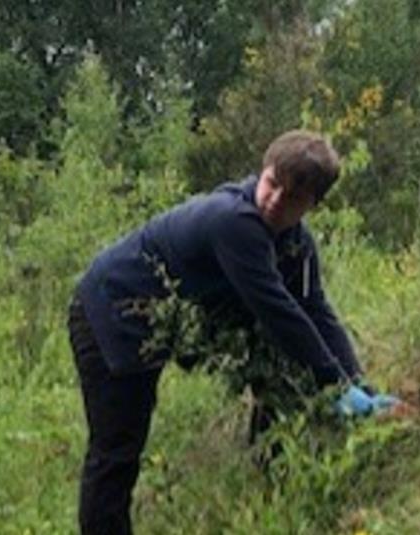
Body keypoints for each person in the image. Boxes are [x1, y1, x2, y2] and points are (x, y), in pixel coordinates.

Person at [67, 130, 400, 534]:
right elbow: (279, 312)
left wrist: (357, 384)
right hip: (111, 309)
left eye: (292, 197)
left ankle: (271, 494)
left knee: (277, 374)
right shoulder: (233, 221)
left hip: (157, 319)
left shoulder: (296, 245)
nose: (274, 201)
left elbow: (316, 311)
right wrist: (334, 384)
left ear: (313, 205)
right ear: (262, 172)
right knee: (117, 449)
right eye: (272, 184)